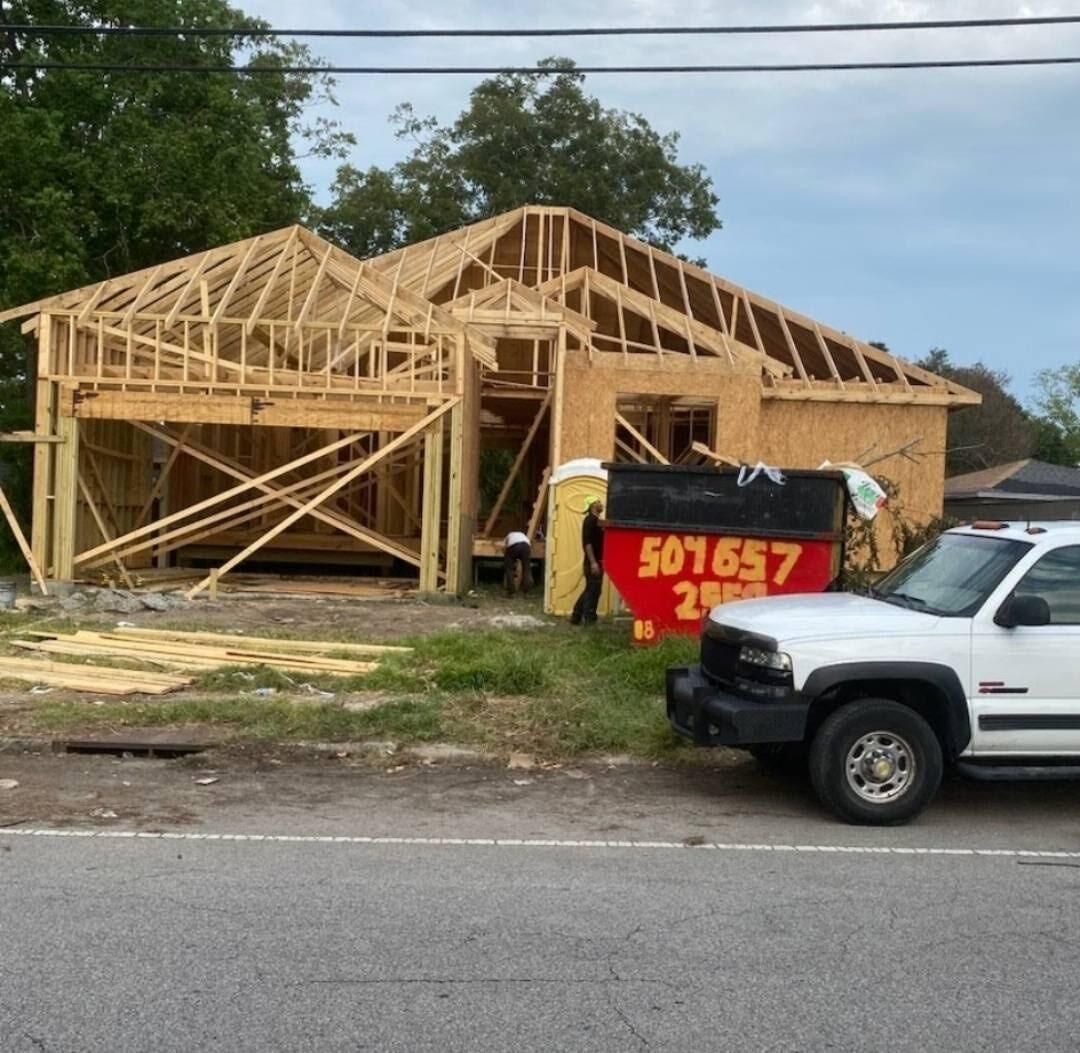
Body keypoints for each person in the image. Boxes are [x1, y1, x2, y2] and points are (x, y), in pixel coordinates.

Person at [570, 495, 605, 625]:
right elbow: (587, 543)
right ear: (592, 506)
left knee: (592, 589)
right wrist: (593, 562)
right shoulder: (590, 520)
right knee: (593, 590)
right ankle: (589, 618)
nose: (601, 504)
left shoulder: (597, 520)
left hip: (598, 561)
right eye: (598, 502)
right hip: (593, 562)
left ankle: (576, 615)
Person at [503, 529, 533, 597]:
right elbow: (529, 546)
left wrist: (508, 559)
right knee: (526, 568)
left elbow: (504, 547)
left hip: (514, 546)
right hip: (526, 547)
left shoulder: (509, 535)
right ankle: (526, 591)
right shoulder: (524, 536)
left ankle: (511, 592)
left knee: (509, 568)